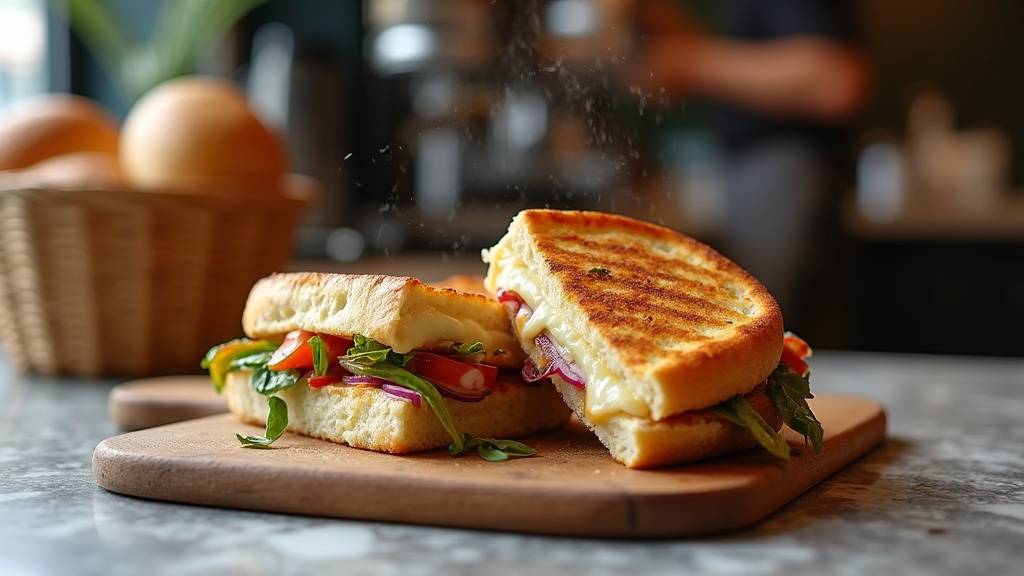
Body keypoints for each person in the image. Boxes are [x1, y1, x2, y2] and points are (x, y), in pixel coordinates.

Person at [632, 0, 870, 332]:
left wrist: (690, 61)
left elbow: (833, 81)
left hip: (783, 176)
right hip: (766, 179)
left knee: (773, 342)